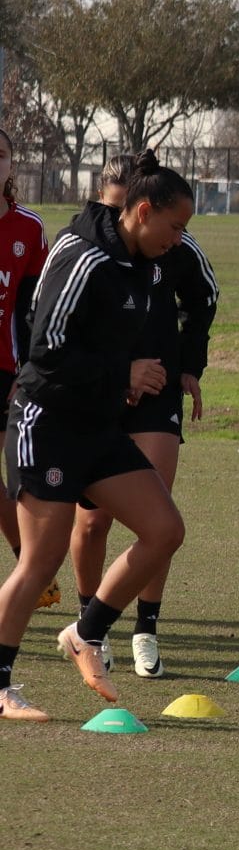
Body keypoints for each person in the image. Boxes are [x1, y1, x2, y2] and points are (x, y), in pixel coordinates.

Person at [0, 154, 196, 720]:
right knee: (40, 561)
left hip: (96, 428)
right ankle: (1, 683)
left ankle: (86, 633)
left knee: (164, 530)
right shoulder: (81, 255)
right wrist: (123, 374)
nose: (179, 240)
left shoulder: (143, 262)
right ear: (141, 210)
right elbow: (46, 353)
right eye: (175, 226)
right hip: (48, 424)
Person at [68, 153, 217, 679]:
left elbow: (205, 299)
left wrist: (188, 364)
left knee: (157, 515)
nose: (115, 226)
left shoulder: (172, 244)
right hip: (97, 394)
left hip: (155, 391)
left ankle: (146, 628)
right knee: (91, 522)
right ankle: (92, 626)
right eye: (108, 212)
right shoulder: (86, 249)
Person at [0, 129, 50, 568]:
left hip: (6, 369)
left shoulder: (29, 228)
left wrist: (29, 368)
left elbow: (36, 309)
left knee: (7, 477)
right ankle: (28, 568)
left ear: (12, 166)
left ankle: (29, 569)